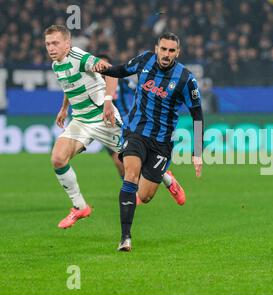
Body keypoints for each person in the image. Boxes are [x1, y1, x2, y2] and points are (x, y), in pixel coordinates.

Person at [94, 32, 204, 252]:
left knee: (144, 195)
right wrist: (100, 68)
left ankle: (166, 176)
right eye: (163, 49)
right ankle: (125, 237)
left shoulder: (186, 79)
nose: (166, 54)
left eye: (171, 50)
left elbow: (197, 115)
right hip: (135, 132)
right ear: (157, 48)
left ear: (177, 53)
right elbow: (121, 70)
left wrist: (198, 151)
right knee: (130, 176)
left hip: (161, 143)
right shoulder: (144, 60)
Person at [44, 24, 122, 228]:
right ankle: (80, 207)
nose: (51, 48)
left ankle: (166, 177)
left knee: (136, 161)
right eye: (48, 44)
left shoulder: (79, 57)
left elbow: (111, 72)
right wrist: (63, 109)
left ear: (67, 44)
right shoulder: (56, 65)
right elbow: (69, 86)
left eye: (55, 43)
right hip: (80, 120)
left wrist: (107, 101)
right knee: (58, 159)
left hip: (102, 117)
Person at [96, 54, 186, 205]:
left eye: (106, 65)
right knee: (120, 164)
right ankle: (157, 181)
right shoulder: (93, 84)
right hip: (108, 128)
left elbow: (142, 90)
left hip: (129, 126)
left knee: (135, 159)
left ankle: (156, 184)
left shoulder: (123, 81)